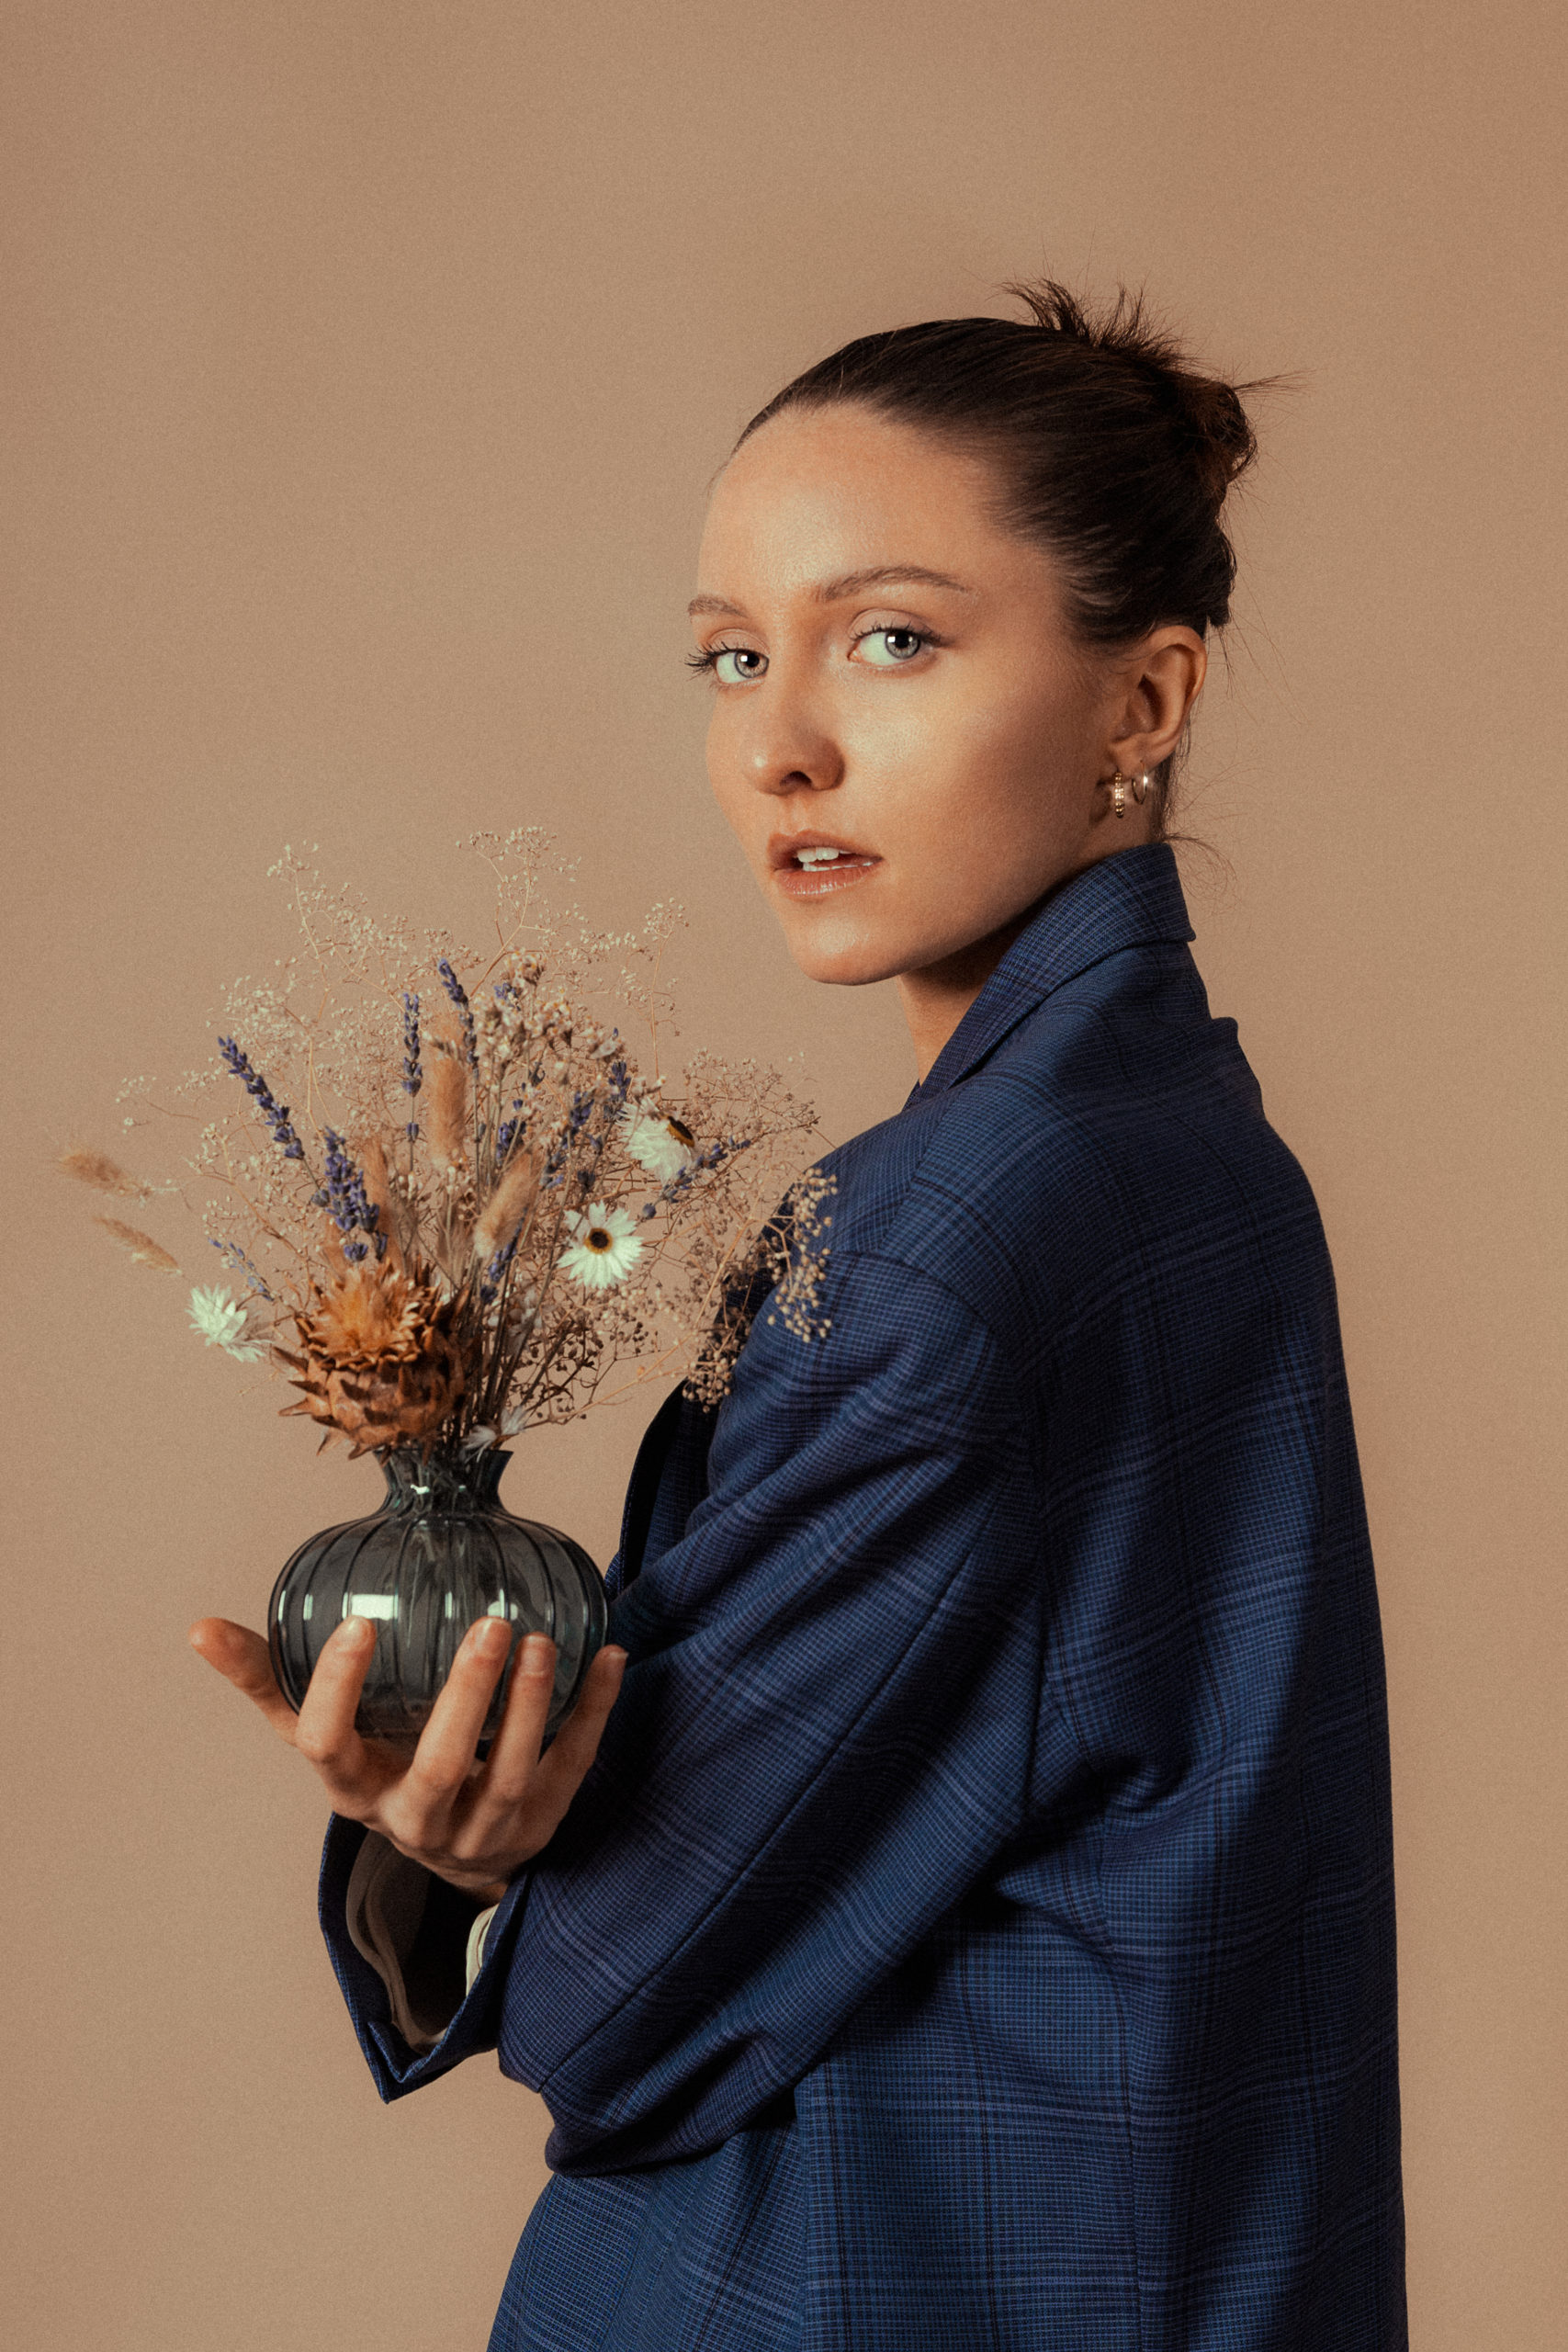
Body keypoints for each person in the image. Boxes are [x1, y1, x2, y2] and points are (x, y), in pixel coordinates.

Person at [193, 281, 1406, 2349]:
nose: (779, 741)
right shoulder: (1183, 1146)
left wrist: (469, 1852)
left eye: (894, 638)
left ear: (1143, 698)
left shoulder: (957, 1236)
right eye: (732, 657)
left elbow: (624, 2014)